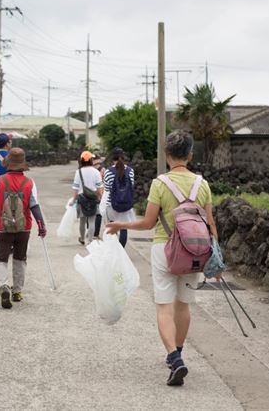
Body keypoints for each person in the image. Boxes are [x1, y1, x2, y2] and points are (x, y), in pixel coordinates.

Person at [106, 130, 219, 387]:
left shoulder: (160, 184)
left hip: (164, 251)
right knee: (184, 305)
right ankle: (178, 351)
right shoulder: (203, 185)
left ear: (167, 154)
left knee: (164, 306)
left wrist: (119, 226)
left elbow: (148, 223)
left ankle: (173, 358)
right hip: (195, 251)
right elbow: (211, 224)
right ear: (190, 155)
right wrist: (217, 261)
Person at [0, 148, 46, 309]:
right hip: (24, 227)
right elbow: (34, 206)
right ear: (22, 165)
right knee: (20, 258)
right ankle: (17, 291)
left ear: (8, 164)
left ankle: (3, 286)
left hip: (3, 227)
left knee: (2, 258)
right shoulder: (29, 182)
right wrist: (41, 225)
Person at [103, 147, 136, 247]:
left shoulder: (108, 171)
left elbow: (107, 188)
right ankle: (121, 250)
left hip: (112, 204)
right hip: (126, 204)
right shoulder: (130, 171)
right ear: (123, 157)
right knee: (123, 228)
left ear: (112, 158)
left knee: (112, 227)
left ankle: (113, 250)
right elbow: (132, 186)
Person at [72, 151, 103, 246]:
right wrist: (100, 198)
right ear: (90, 160)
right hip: (93, 199)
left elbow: (76, 188)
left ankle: (82, 238)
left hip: (82, 199)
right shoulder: (96, 172)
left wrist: (73, 200)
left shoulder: (78, 172)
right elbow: (99, 188)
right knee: (92, 220)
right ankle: (90, 241)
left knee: (82, 220)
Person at [93, 155, 106, 239]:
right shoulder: (103, 170)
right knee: (98, 214)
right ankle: (96, 233)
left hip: (91, 192)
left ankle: (91, 231)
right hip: (100, 192)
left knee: (91, 213)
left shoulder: (91, 169)